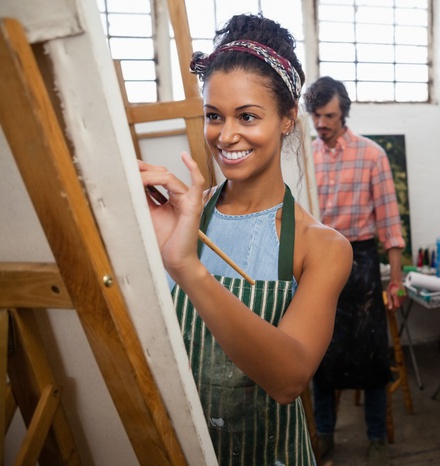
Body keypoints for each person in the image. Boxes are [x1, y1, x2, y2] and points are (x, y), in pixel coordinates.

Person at [138, 14, 352, 466]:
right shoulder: (180, 216)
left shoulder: (322, 246)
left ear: (289, 119)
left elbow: (289, 377)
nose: (226, 135)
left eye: (248, 116)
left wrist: (187, 269)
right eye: (214, 116)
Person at [303, 76, 407, 466]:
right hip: (317, 262)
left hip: (362, 263)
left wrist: (395, 279)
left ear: (343, 111)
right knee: (319, 353)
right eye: (316, 115)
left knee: (373, 356)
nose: (321, 123)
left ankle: (377, 437)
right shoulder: (306, 157)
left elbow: (390, 225)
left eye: (328, 115)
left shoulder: (372, 155)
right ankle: (325, 434)